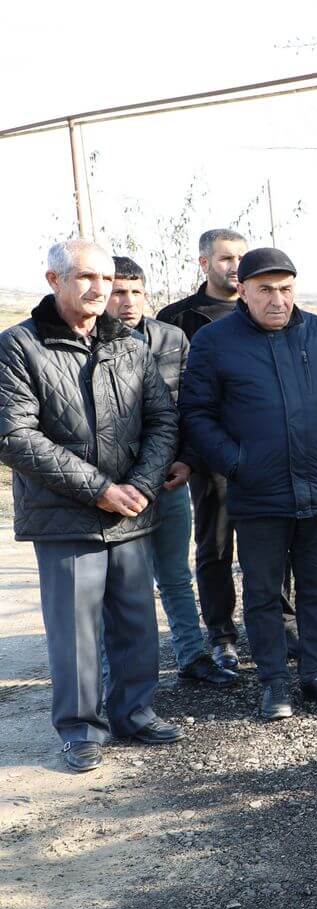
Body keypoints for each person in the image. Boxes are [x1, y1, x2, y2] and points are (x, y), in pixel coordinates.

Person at [0, 240, 183, 772]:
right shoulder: (19, 346)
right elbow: (14, 435)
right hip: (65, 515)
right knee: (75, 629)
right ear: (54, 279)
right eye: (85, 276)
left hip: (131, 509)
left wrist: (143, 485)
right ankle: (81, 729)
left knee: (135, 620)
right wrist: (99, 489)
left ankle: (134, 712)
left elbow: (162, 419)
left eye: (105, 277)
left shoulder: (129, 344)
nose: (99, 288)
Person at [181, 248, 317, 720]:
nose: (277, 300)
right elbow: (197, 412)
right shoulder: (215, 341)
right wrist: (235, 462)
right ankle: (274, 682)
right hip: (258, 491)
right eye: (265, 290)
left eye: (285, 288)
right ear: (242, 289)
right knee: (263, 592)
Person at [157, 227, 295, 672]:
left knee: (278, 538)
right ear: (204, 264)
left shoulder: (273, 313)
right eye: (224, 259)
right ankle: (222, 634)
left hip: (269, 451)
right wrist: (190, 453)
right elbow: (177, 397)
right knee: (215, 544)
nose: (234, 266)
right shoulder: (179, 318)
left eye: (240, 258)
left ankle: (281, 621)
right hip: (210, 452)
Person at [104, 256, 236, 686]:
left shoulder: (171, 337)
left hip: (169, 479)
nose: (128, 302)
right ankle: (117, 673)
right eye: (118, 292)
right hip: (115, 487)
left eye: (136, 292)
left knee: (176, 575)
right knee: (123, 586)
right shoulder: (90, 344)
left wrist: (187, 460)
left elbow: (192, 407)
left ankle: (192, 657)